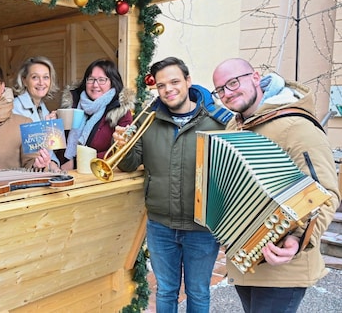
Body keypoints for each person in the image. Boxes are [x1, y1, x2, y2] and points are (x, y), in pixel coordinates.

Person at [211, 58, 341, 313]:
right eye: (220, 90)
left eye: (234, 82)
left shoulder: (297, 125)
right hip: (245, 258)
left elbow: (326, 192)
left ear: (256, 77)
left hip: (283, 263)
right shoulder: (233, 126)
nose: (227, 93)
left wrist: (298, 239)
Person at [115, 57, 233, 313]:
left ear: (188, 82)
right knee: (166, 290)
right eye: (161, 85)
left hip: (202, 227)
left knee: (198, 292)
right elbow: (129, 164)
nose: (168, 89)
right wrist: (123, 146)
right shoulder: (147, 120)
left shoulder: (220, 122)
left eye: (174, 81)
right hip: (160, 225)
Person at [59, 58, 134, 171]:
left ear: (112, 82)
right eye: (91, 79)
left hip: (98, 175)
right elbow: (59, 144)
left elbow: (120, 150)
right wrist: (52, 126)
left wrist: (78, 162)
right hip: (66, 173)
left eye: (102, 80)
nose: (95, 84)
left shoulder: (121, 111)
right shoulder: (72, 104)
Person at [12, 56, 60, 168]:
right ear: (24, 80)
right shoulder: (15, 108)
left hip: (41, 169)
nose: (41, 82)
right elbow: (28, 150)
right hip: (21, 173)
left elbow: (49, 151)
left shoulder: (44, 109)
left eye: (46, 77)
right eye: (35, 77)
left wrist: (54, 164)